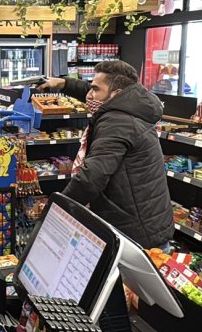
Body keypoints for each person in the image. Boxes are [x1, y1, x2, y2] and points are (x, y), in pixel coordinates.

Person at [40, 61, 173, 249]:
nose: (89, 95)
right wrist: (63, 84)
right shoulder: (130, 105)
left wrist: (55, 210)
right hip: (143, 224)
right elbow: (96, 90)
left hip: (137, 237)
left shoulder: (117, 122)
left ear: (116, 94)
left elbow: (91, 177)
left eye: (95, 89)